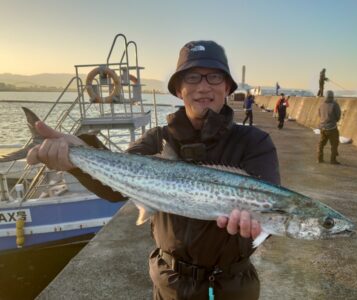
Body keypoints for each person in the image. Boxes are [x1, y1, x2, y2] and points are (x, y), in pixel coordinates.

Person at [26, 40, 280, 300]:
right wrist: (75, 158)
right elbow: (114, 189)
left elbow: (273, 212)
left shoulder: (254, 143)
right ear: (179, 90)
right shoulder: (157, 140)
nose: (203, 86)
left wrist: (258, 226)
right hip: (170, 284)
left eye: (214, 77)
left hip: (233, 287)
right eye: (192, 77)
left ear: (227, 87)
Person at [317, 90, 341, 164]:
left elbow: (319, 115)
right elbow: (338, 116)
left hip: (322, 128)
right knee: (334, 144)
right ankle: (333, 160)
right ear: (332, 96)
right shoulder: (335, 104)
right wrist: (334, 120)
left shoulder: (321, 105)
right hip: (332, 128)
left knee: (321, 144)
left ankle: (319, 158)